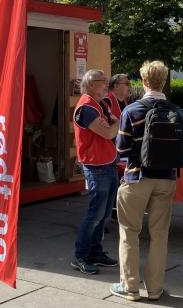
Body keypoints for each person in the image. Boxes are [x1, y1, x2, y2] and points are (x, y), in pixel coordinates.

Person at [109, 61, 183, 302]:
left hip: (137, 177)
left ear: (143, 82)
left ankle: (130, 287)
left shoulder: (132, 111)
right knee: (159, 235)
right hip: (166, 179)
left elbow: (121, 148)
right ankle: (155, 289)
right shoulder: (177, 111)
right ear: (163, 81)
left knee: (129, 233)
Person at [71, 69, 120, 275]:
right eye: (103, 82)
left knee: (105, 214)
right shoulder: (86, 108)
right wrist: (115, 123)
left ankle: (95, 252)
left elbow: (113, 124)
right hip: (96, 166)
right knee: (95, 214)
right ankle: (80, 256)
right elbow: (109, 132)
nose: (106, 85)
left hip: (107, 164)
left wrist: (114, 123)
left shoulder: (99, 104)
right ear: (91, 84)